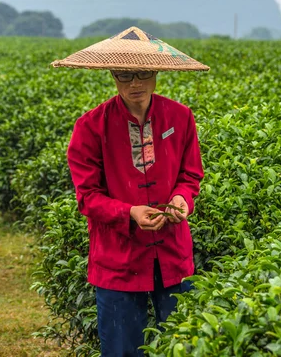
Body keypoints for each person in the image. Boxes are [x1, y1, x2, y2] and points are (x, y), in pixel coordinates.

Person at [52, 26, 209, 357]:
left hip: (173, 253)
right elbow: (88, 196)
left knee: (183, 345)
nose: (134, 83)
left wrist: (182, 198)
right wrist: (129, 213)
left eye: (142, 73)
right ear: (112, 74)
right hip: (118, 259)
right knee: (122, 350)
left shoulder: (180, 117)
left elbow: (190, 173)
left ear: (156, 72)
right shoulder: (90, 127)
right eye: (124, 75)